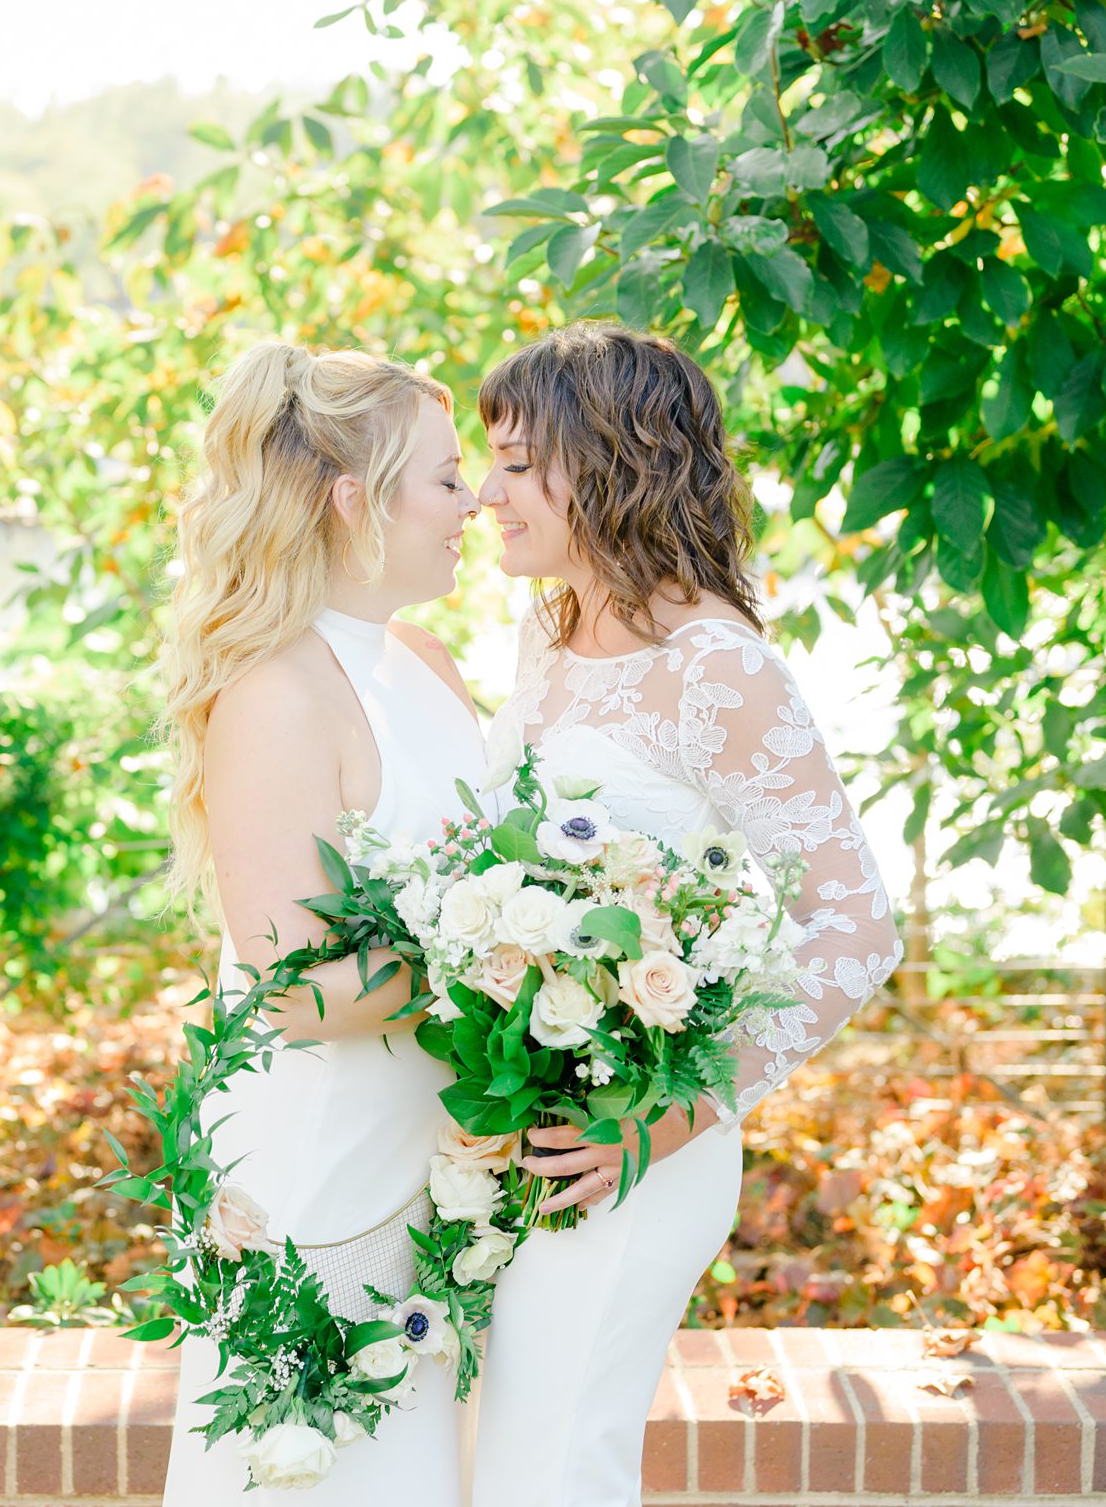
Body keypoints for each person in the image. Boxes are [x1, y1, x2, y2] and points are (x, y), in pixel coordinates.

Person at [468, 321, 904, 1506]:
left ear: (607, 460)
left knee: (552, 1462)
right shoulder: (547, 638)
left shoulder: (721, 667)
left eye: (515, 464)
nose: (484, 496)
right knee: (494, 1454)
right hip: (526, 1133)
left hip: (645, 1142)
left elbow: (855, 928)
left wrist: (668, 1119)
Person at [158, 341, 485, 1504]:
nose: (477, 500)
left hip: (442, 1154)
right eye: (447, 478)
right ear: (355, 500)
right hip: (326, 1166)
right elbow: (294, 987)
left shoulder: (426, 658)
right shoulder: (275, 693)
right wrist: (505, 965)